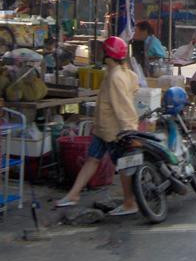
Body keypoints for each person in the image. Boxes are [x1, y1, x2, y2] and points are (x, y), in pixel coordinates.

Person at [56, 36, 139, 215]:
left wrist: (129, 129)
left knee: (124, 166)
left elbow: (123, 105)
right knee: (93, 159)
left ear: (108, 54)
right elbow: (132, 88)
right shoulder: (122, 72)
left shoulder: (116, 76)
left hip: (115, 132)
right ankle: (73, 194)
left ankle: (129, 202)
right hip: (103, 128)